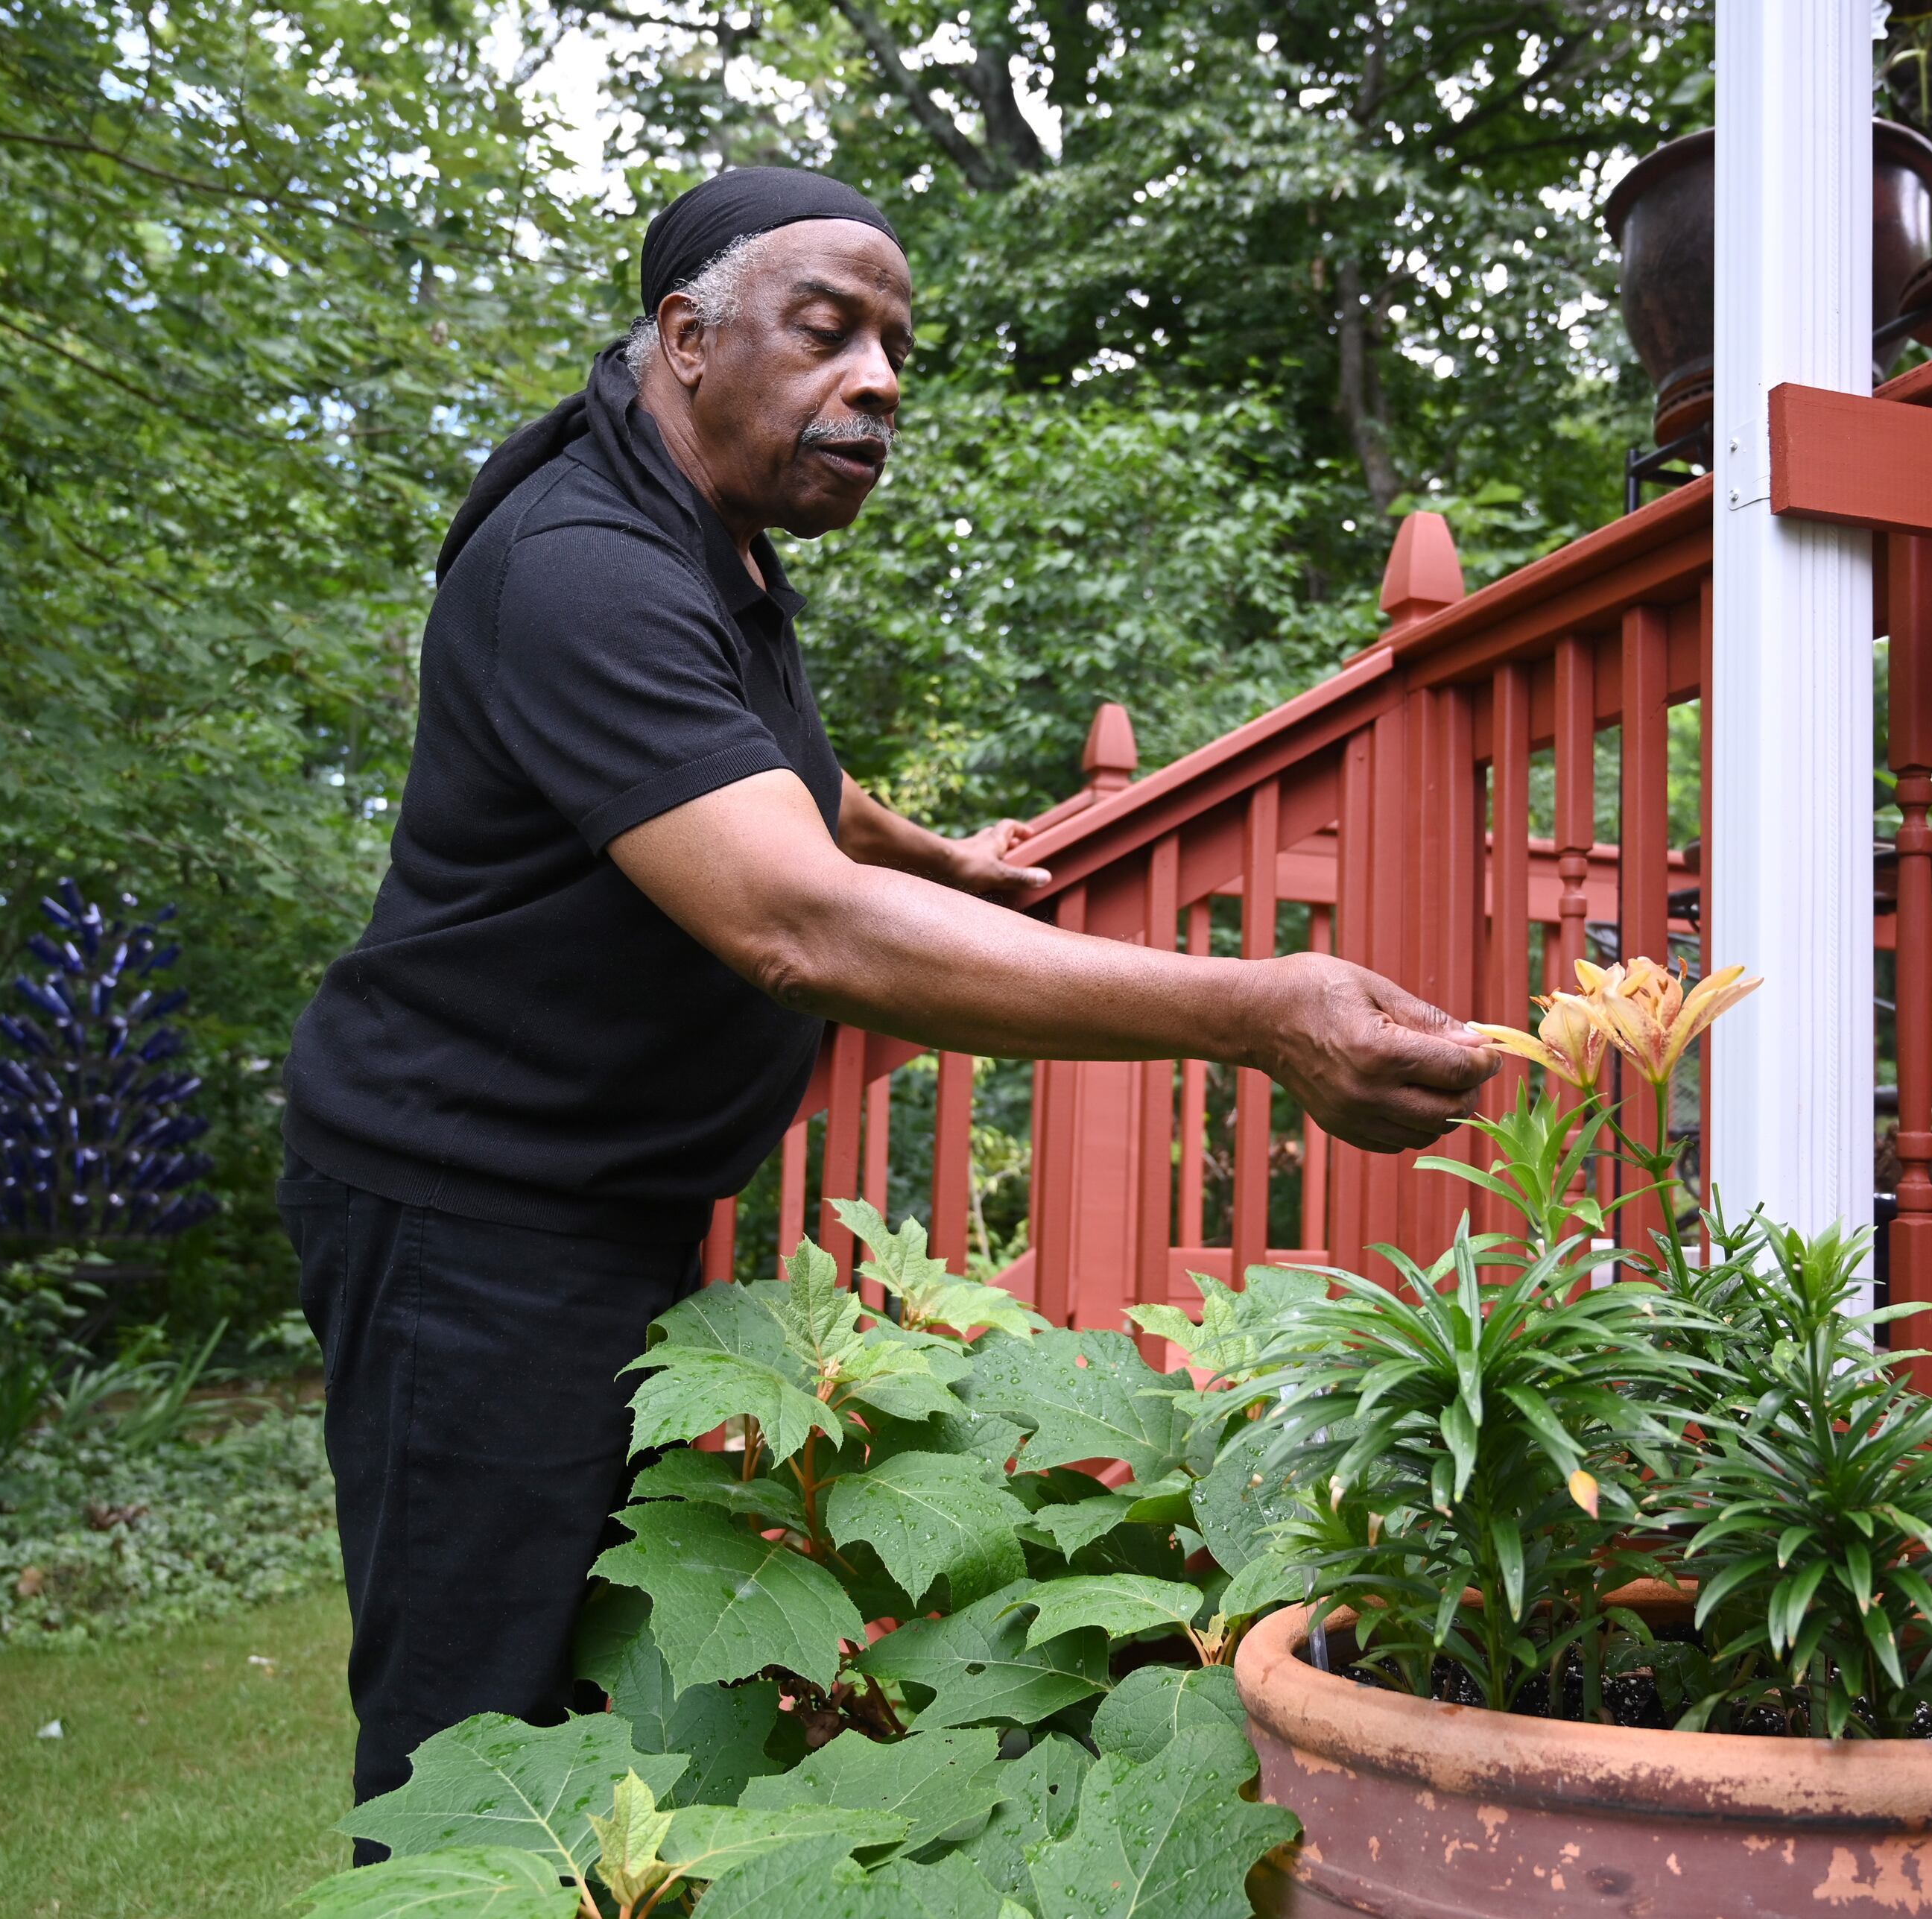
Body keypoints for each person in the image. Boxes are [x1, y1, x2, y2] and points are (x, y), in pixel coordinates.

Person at [276, 166, 1494, 1827]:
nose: (881, 380)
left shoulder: (709, 543)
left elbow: (795, 792)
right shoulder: (583, 566)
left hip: (592, 1204)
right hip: (462, 1211)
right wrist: (1259, 1011)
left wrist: (935, 856)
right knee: (468, 1736)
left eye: (897, 347)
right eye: (830, 330)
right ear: (689, 337)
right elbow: (792, 917)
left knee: (596, 1683)